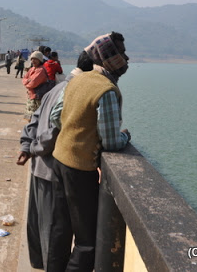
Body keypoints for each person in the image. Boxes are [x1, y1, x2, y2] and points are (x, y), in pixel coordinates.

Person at [50, 32, 131, 271]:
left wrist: (76, 130)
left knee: (60, 229)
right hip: (80, 169)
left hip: (59, 159)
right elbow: (112, 142)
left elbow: (56, 118)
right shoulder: (106, 90)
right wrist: (126, 135)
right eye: (122, 54)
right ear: (110, 58)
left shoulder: (78, 79)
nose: (126, 59)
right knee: (87, 241)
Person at [16, 52, 95, 270]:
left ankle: (38, 263)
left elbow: (35, 119)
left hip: (38, 166)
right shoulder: (72, 92)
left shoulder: (56, 89)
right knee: (52, 230)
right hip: (52, 168)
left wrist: (26, 146)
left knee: (38, 224)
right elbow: (53, 130)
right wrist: (33, 148)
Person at [22, 51, 48, 120]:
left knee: (35, 117)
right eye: (32, 59)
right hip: (31, 95)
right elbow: (24, 78)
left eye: (35, 59)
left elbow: (33, 83)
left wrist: (28, 82)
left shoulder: (41, 70)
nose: (33, 61)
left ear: (40, 60)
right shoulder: (32, 69)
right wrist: (28, 81)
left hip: (36, 96)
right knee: (30, 116)